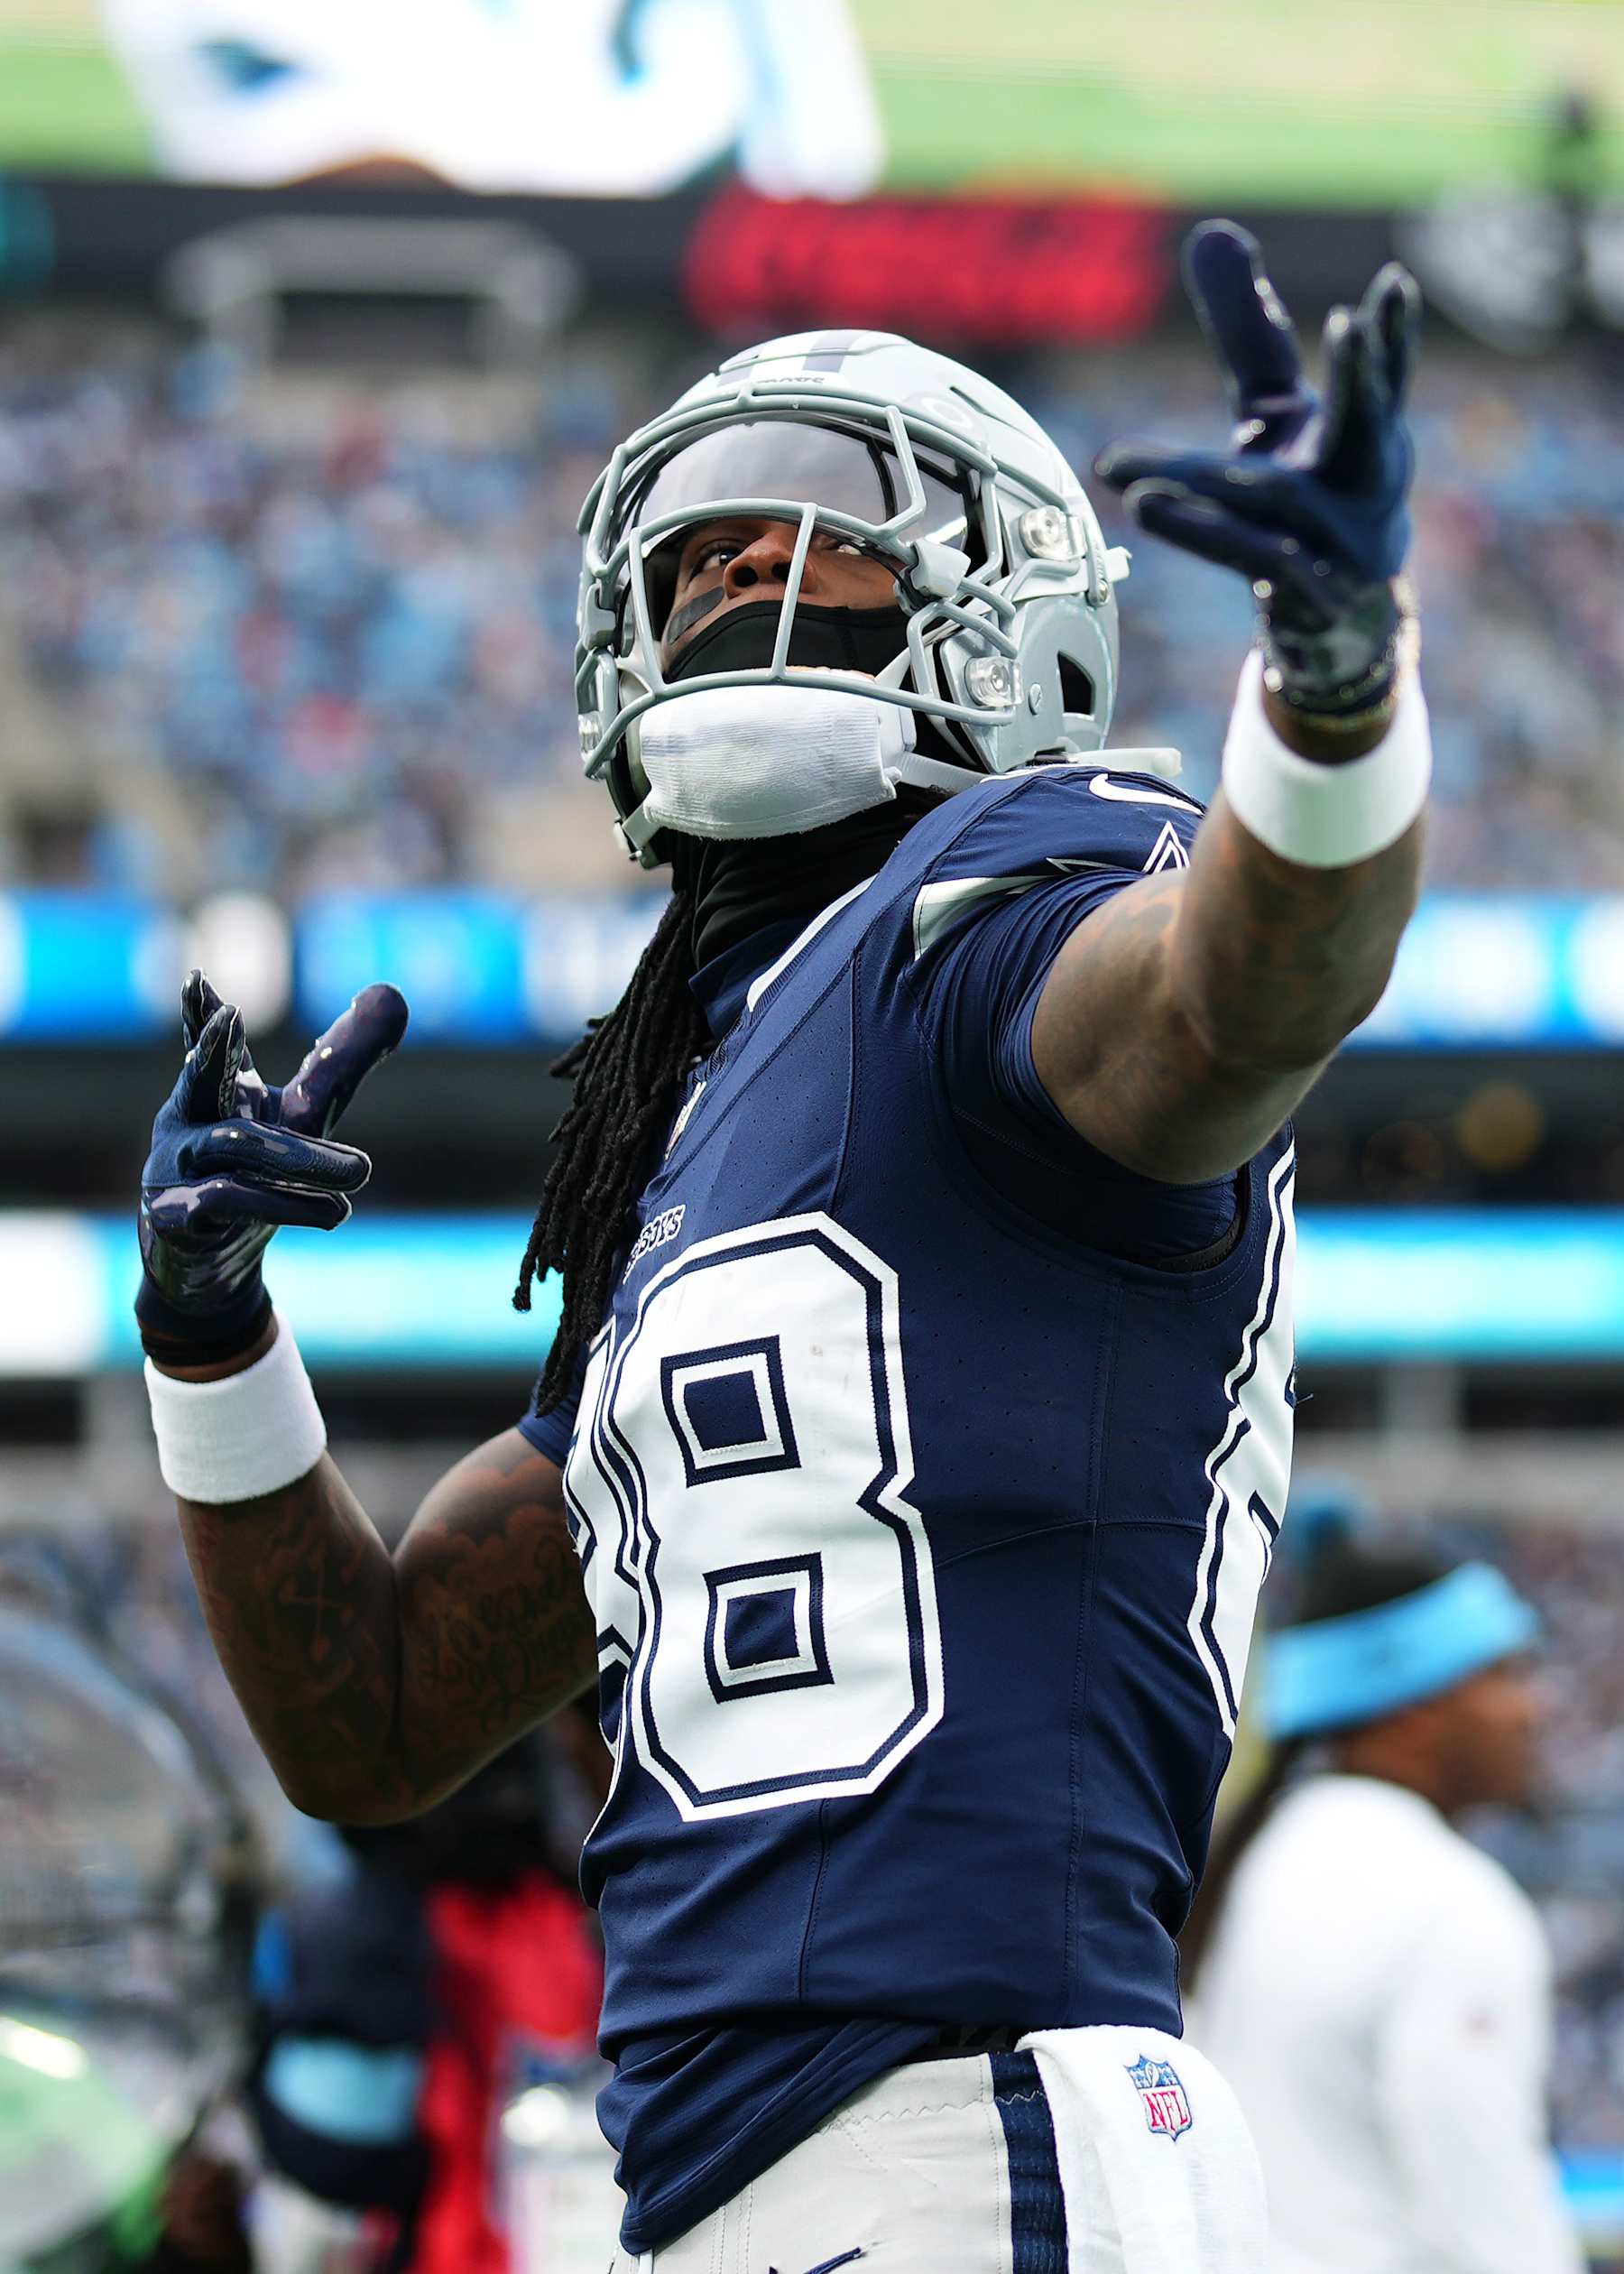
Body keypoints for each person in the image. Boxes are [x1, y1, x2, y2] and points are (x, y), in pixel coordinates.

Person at [136, 223, 1431, 2269]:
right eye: (696, 556)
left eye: (823, 531)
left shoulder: (1000, 901)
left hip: (971, 2126)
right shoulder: (711, 1132)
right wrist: (209, 1347)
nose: (740, 569)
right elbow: (372, 1720)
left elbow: (1230, 999)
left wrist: (1335, 696)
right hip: (752, 2170)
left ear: (1008, 612)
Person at [1184, 1513, 1584, 2274]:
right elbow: (1491, 2226)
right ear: (1412, 1702)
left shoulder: (1246, 1867)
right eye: (1503, 1674)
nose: (1534, 1709)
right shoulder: (1447, 1900)